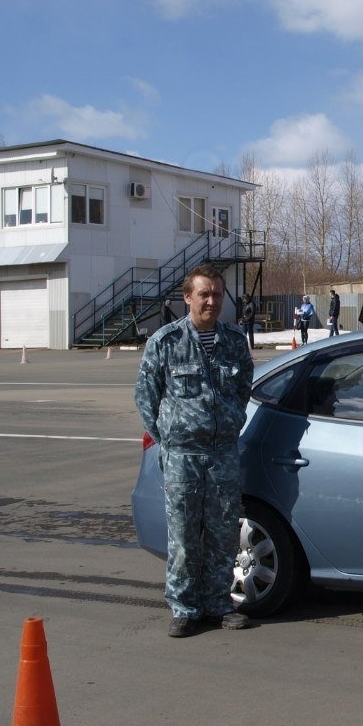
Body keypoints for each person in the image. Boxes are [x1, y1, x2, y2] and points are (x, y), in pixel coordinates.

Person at [134, 263, 255, 638]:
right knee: (184, 536)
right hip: (182, 456)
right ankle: (184, 607)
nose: (211, 301)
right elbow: (145, 397)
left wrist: (230, 420)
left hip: (222, 455)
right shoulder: (166, 342)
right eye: (204, 294)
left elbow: (243, 388)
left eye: (217, 294)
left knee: (221, 534)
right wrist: (170, 437)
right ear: (188, 297)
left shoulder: (234, 341)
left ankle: (219, 603)